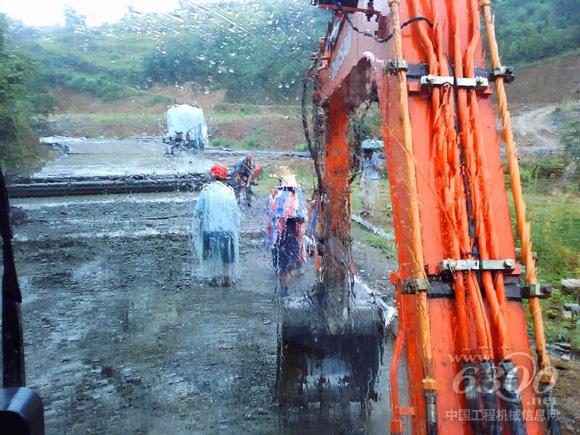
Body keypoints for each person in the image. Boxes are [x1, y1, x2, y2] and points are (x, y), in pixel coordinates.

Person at [193, 163, 241, 287]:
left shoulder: (206, 191)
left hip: (209, 229)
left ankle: (213, 277)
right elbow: (235, 211)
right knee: (227, 257)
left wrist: (197, 227)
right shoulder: (229, 191)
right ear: (225, 177)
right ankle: (226, 277)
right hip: (227, 229)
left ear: (212, 176)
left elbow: (198, 212)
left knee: (210, 255)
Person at [265, 168, 307, 294]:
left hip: (276, 236)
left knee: (281, 265)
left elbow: (270, 215)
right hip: (290, 234)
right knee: (293, 265)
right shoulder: (294, 198)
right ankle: (285, 288)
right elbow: (300, 219)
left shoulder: (274, 196)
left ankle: (282, 287)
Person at [359, 143, 384, 217]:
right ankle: (364, 210)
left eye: (368, 154)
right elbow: (361, 169)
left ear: (371, 153)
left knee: (370, 196)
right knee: (362, 195)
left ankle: (370, 212)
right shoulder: (363, 159)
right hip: (364, 178)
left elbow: (381, 169)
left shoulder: (376, 159)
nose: (366, 155)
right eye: (365, 153)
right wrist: (360, 177)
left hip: (373, 179)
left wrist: (374, 165)